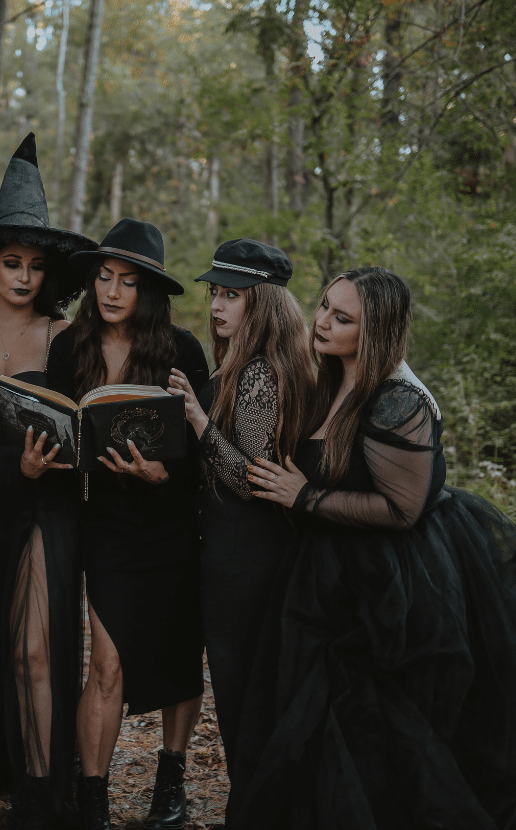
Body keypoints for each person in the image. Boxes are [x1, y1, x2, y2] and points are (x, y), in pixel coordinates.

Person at [237, 266, 516, 828]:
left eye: (342, 318)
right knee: (314, 719)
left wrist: (303, 496)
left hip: (391, 586)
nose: (322, 322)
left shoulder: (396, 401)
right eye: (324, 306)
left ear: (376, 332)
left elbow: (402, 509)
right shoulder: (330, 379)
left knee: (374, 726)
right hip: (325, 575)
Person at [0, 133, 96, 827]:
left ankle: (40, 792)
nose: (24, 277)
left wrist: (44, 464)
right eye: (11, 263)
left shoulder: (65, 337)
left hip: (45, 496)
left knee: (35, 647)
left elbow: (83, 432)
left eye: (35, 265)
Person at [45, 218, 209, 830]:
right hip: (106, 524)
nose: (112, 291)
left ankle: (171, 780)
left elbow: (203, 449)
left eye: (128, 281)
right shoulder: (69, 347)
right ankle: (94, 799)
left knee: (178, 656)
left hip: (172, 523)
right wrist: (41, 458)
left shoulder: (182, 350)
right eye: (104, 278)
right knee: (107, 662)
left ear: (150, 290)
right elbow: (58, 424)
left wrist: (163, 475)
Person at [166, 239, 313, 828]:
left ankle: (256, 810)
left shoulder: (258, 374)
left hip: (246, 558)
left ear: (264, 304)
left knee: (243, 692)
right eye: (216, 293)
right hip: (240, 554)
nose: (217, 306)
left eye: (232, 295)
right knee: (248, 691)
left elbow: (252, 480)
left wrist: (196, 418)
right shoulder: (251, 363)